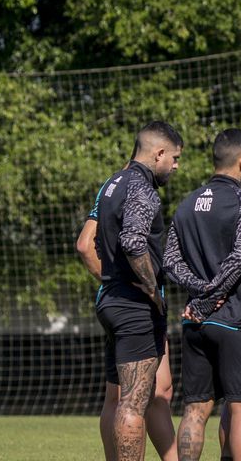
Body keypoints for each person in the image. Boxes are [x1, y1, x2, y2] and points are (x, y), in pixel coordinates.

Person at [162, 128, 241, 461]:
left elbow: (169, 260)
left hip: (195, 323)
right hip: (237, 319)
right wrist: (212, 294)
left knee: (196, 410)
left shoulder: (186, 205)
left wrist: (199, 292)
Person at [78, 153, 180, 461]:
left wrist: (110, 281)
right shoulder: (138, 189)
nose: (175, 165)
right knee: (152, 395)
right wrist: (138, 285)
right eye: (173, 157)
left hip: (111, 300)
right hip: (138, 304)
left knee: (120, 396)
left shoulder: (109, 186)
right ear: (155, 154)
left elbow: (84, 245)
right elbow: (121, 244)